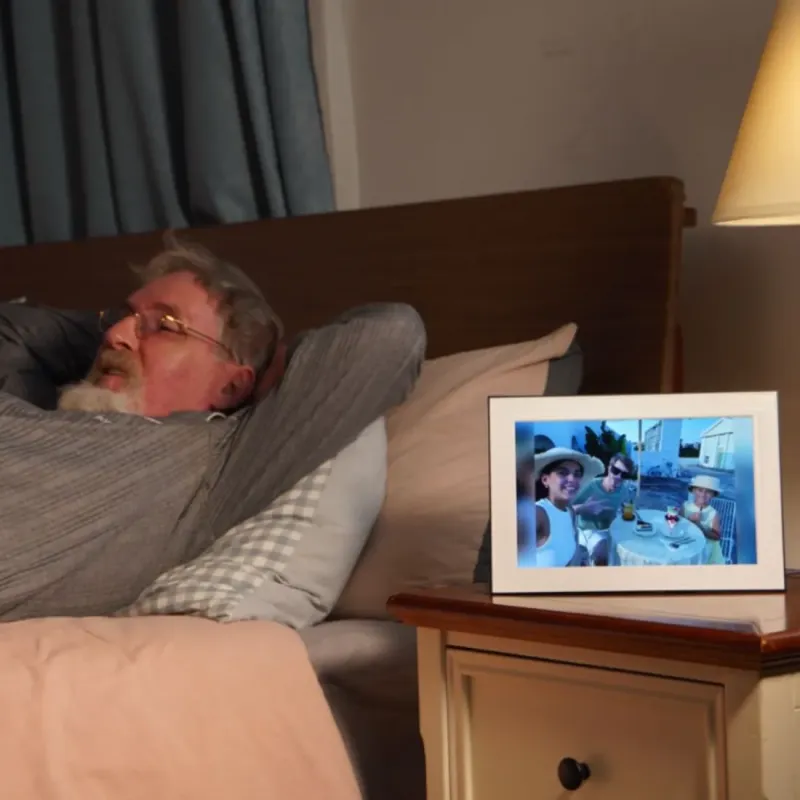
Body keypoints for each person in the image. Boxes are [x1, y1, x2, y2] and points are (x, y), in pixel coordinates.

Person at [0, 234, 427, 620]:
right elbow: (11, 328)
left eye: (165, 326)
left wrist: (270, 362)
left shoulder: (221, 462)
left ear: (231, 385)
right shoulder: (34, 398)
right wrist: (123, 332)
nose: (114, 333)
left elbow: (390, 335)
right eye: (118, 317)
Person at [516, 446, 604, 568]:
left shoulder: (570, 512)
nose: (572, 479)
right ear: (545, 480)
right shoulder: (537, 513)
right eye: (562, 473)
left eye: (577, 474)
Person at [572, 453, 635, 566]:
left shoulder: (624, 490)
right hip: (589, 530)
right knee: (602, 553)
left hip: (611, 530)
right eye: (616, 471)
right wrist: (584, 508)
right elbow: (566, 509)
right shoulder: (592, 485)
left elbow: (625, 509)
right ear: (609, 468)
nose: (618, 477)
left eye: (624, 475)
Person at [680, 474, 724, 564]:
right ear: (693, 491)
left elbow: (717, 536)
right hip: (686, 543)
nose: (703, 495)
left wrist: (700, 527)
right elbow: (678, 525)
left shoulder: (713, 514)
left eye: (708, 492)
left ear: (713, 495)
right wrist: (689, 519)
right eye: (700, 490)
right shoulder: (685, 506)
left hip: (705, 548)